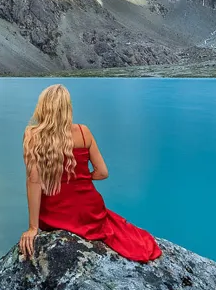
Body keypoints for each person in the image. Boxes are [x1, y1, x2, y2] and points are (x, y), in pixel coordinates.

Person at [18, 84, 161, 263]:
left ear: (43, 106)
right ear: (68, 108)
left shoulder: (31, 134)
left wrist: (33, 228)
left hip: (54, 214)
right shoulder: (84, 132)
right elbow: (102, 173)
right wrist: (81, 178)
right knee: (121, 229)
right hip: (89, 212)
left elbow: (34, 181)